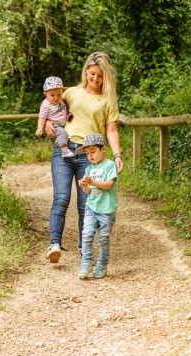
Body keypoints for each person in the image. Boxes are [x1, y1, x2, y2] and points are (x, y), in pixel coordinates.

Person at [44, 52, 123, 264]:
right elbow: (49, 107)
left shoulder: (108, 101)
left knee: (85, 203)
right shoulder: (70, 93)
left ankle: (83, 246)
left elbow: (112, 131)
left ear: (105, 77)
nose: (95, 79)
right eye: (92, 74)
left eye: (100, 76)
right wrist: (47, 124)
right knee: (61, 198)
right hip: (64, 149)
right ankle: (54, 245)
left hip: (90, 154)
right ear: (86, 72)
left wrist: (117, 155)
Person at [76, 133, 118, 278]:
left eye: (93, 151)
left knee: (103, 238)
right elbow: (89, 191)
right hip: (91, 207)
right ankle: (86, 263)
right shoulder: (89, 170)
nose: (90, 156)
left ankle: (102, 264)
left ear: (103, 149)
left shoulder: (110, 165)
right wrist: (84, 186)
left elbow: (109, 184)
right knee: (86, 235)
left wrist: (92, 182)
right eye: (87, 153)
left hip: (106, 209)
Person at [36, 76, 74, 158]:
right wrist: (40, 128)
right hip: (55, 125)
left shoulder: (62, 99)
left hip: (64, 120)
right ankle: (64, 149)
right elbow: (42, 117)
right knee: (62, 133)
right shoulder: (46, 105)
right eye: (52, 95)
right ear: (46, 94)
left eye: (59, 94)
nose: (56, 97)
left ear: (62, 91)